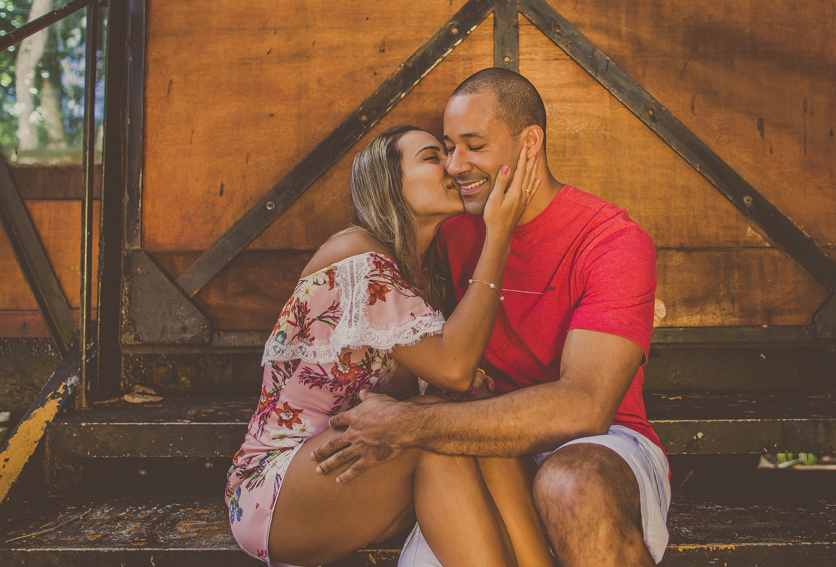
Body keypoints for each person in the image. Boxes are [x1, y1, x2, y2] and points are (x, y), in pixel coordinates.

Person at [312, 69, 670, 567]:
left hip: (599, 442)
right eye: (447, 148)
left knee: (571, 484)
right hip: (476, 441)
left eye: (473, 145)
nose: (457, 166)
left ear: (529, 143)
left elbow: (585, 406)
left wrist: (408, 422)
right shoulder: (452, 230)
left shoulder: (610, 240)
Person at [226, 123, 551, 567]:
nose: (454, 168)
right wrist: (499, 234)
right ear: (389, 185)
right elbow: (454, 369)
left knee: (465, 435)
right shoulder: (357, 257)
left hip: (364, 470)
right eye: (433, 157)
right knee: (438, 441)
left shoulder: (421, 280)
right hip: (279, 488)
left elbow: (451, 389)